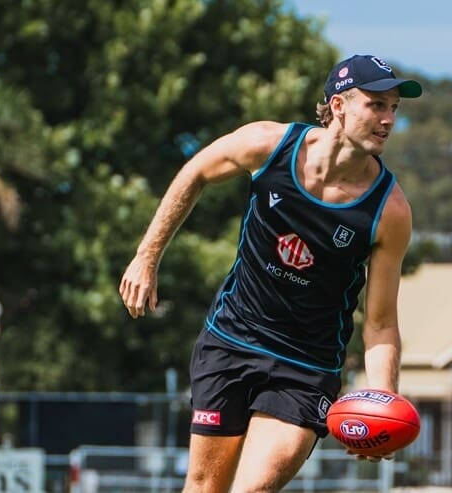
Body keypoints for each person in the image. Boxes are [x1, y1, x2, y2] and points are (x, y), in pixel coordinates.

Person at [119, 54, 422, 493]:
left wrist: (381, 401)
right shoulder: (269, 145)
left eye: (394, 108)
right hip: (230, 341)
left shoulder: (388, 210)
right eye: (376, 105)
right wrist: (147, 256)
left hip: (306, 365)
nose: (388, 119)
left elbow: (380, 323)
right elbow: (196, 171)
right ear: (338, 105)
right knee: (204, 488)